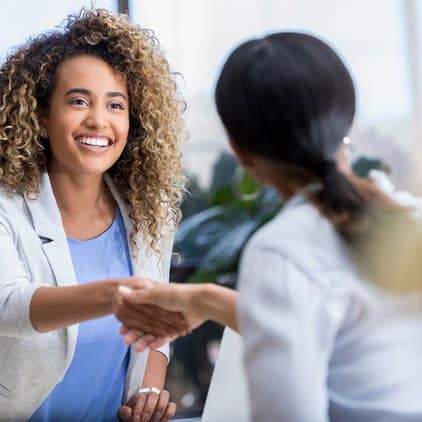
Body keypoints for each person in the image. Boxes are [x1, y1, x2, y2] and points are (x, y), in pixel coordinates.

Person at [115, 32, 422, 421]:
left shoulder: (281, 250)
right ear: (346, 116)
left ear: (240, 151)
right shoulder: (408, 216)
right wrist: (206, 301)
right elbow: (340, 327)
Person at [0, 8, 188, 421]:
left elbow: (155, 334)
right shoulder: (6, 208)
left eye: (115, 105)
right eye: (79, 100)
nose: (98, 120)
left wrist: (150, 390)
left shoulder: (147, 211)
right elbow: (9, 306)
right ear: (43, 118)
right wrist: (115, 297)